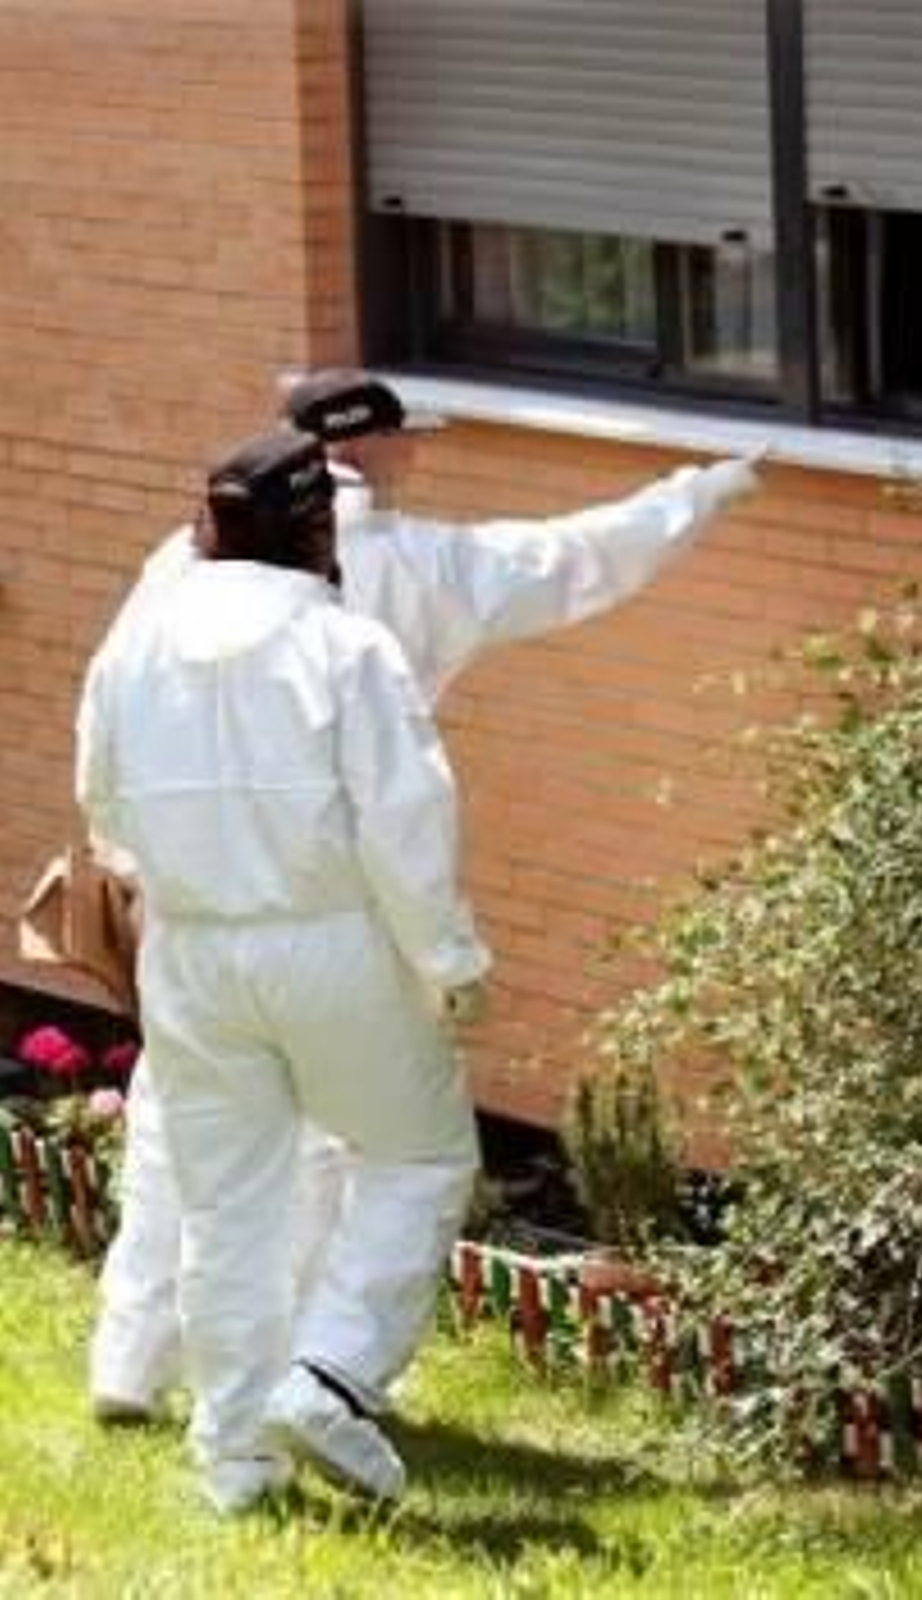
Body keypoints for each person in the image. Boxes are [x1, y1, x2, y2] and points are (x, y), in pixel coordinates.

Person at [87, 369, 764, 1426]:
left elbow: (110, 730)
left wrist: (133, 860)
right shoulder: (415, 566)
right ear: (374, 451)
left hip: (192, 903)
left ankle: (132, 1362)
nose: (421, 459)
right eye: (410, 443)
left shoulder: (180, 563)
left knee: (186, 1133)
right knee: (342, 1149)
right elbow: (570, 561)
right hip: (338, 905)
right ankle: (310, 1373)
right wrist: (696, 493)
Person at [77, 428, 489, 1513]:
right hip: (333, 938)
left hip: (192, 951)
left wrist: (181, 883)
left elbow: (103, 808)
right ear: (316, 531)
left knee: (227, 1205)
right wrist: (449, 962)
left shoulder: (136, 647)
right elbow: (407, 823)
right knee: (419, 1154)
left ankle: (235, 1460)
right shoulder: (346, 649)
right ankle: (332, 1373)